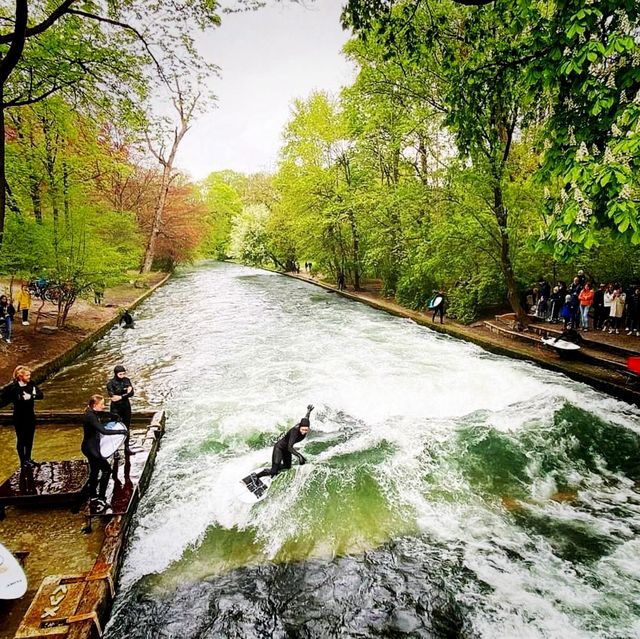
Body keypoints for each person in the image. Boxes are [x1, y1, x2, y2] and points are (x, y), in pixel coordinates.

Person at [81, 394, 127, 512]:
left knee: (95, 471)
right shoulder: (90, 416)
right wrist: (121, 431)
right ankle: (101, 497)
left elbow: (103, 414)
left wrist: (114, 416)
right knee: (106, 469)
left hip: (90, 447)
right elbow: (103, 431)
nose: (104, 406)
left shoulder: (92, 413)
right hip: (91, 449)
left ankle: (93, 496)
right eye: (102, 404)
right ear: (95, 405)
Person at [255, 405, 314, 480]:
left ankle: (271, 470)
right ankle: (256, 476)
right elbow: (290, 447)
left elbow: (306, 419)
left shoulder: (304, 425)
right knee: (274, 471)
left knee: (287, 466)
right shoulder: (294, 432)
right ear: (299, 427)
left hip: (286, 449)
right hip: (279, 448)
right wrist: (299, 455)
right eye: (303, 429)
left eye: (306, 430)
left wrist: (308, 412)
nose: (304, 432)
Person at [2, 366, 43, 468]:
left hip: (30, 415)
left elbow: (40, 395)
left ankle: (28, 458)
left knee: (30, 438)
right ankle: (22, 460)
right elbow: (5, 399)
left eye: (29, 375)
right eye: (27, 375)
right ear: (20, 376)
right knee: (21, 439)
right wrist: (20, 398)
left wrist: (32, 396)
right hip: (19, 416)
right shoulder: (13, 387)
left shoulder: (31, 384)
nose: (29, 377)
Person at [106, 365, 135, 454]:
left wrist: (122, 396)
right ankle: (115, 450)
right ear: (116, 374)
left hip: (126, 406)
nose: (122, 376)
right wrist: (126, 393)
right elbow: (113, 397)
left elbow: (131, 393)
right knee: (115, 427)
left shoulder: (126, 380)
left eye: (123, 374)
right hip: (115, 408)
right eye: (120, 374)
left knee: (127, 426)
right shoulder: (110, 383)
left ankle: (127, 447)